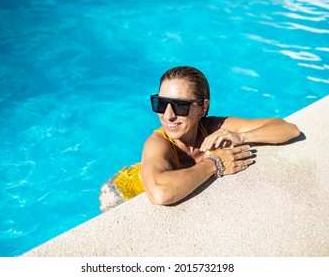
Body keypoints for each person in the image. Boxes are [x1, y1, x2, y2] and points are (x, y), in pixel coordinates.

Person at [99, 66, 300, 211]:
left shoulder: (213, 127)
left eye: (180, 106)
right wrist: (215, 164)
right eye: (161, 104)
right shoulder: (158, 143)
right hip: (121, 191)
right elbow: (160, 193)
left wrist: (241, 136)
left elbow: (287, 129)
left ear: (202, 108)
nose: (168, 115)